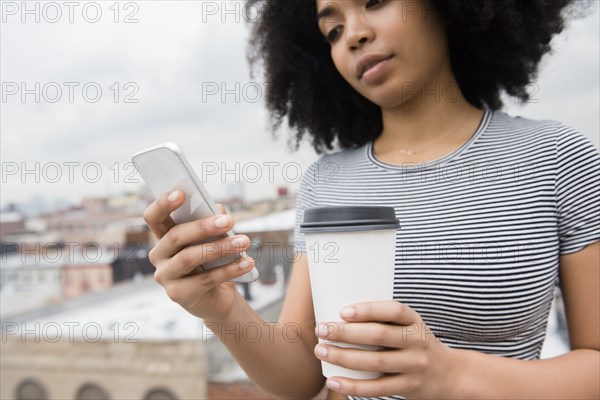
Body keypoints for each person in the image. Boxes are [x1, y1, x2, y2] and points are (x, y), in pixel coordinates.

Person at [143, 0, 599, 398]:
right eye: (333, 30)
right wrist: (220, 306)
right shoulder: (327, 182)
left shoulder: (556, 159)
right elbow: (302, 376)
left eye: (375, 0)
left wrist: (452, 375)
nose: (355, 36)